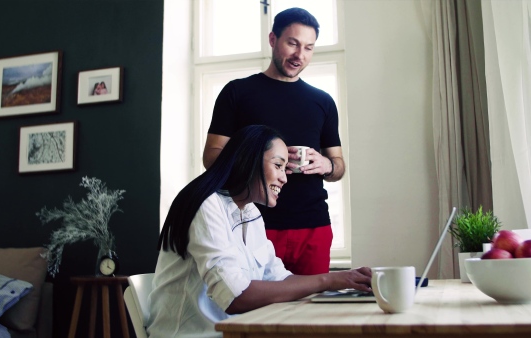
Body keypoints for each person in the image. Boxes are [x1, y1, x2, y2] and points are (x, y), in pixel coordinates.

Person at [147, 125, 371, 338]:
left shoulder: (251, 214)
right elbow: (236, 297)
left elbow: (280, 278)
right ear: (249, 159)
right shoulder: (206, 205)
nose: (284, 178)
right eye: (278, 165)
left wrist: (343, 280)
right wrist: (328, 281)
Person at [202, 7, 344, 275]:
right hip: (252, 222)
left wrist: (325, 164)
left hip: (313, 226)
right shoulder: (237, 92)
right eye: (292, 43)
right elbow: (211, 157)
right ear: (272, 40)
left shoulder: (323, 102)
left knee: (312, 312)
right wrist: (259, 162)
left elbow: (338, 166)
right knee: (257, 311)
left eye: (309, 47)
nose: (299, 55)